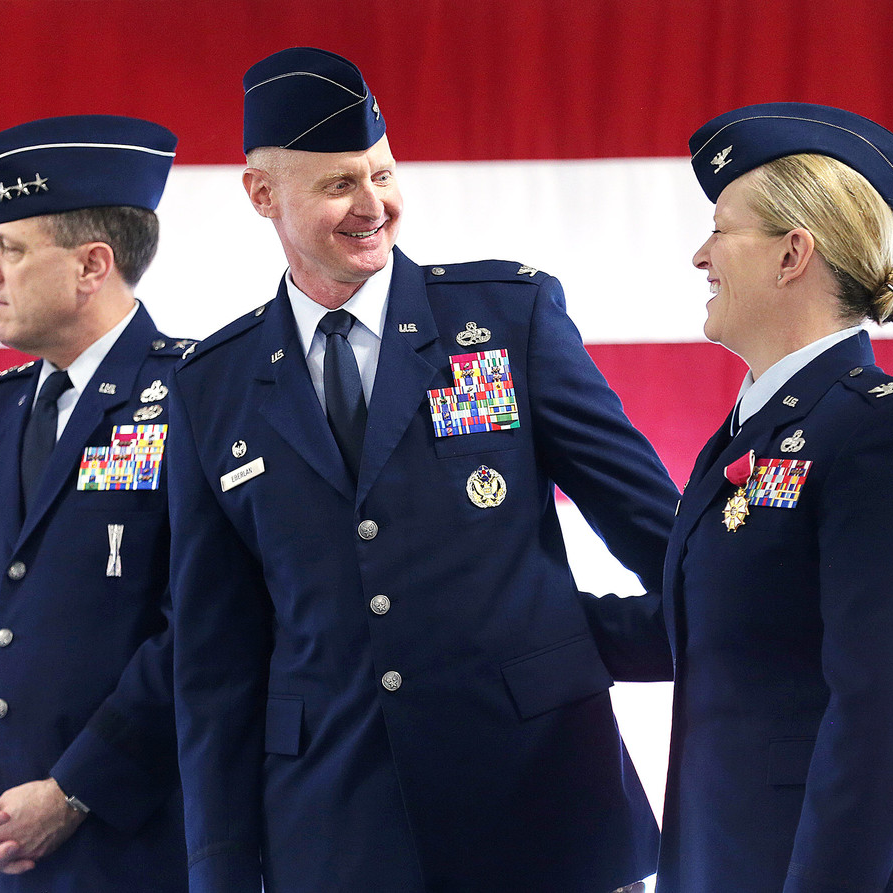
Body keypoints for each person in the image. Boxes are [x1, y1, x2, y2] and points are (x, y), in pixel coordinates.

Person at [164, 47, 679, 893]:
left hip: (543, 810)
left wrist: (564, 640)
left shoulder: (509, 320)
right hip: (334, 834)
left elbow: (665, 540)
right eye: (339, 185)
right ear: (262, 195)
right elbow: (213, 664)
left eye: (383, 172)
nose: (373, 205)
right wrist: (220, 871)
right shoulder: (207, 386)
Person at [658, 102, 893, 892]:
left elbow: (883, 711)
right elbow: (724, 619)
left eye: (722, 229)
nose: (701, 255)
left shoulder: (882, 437)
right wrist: (507, 617)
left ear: (791, 254)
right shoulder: (763, 425)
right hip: (737, 856)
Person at [0, 115, 191, 890]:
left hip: (136, 852)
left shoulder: (198, 395)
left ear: (91, 265)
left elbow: (204, 628)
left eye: (10, 247)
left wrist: (76, 790)